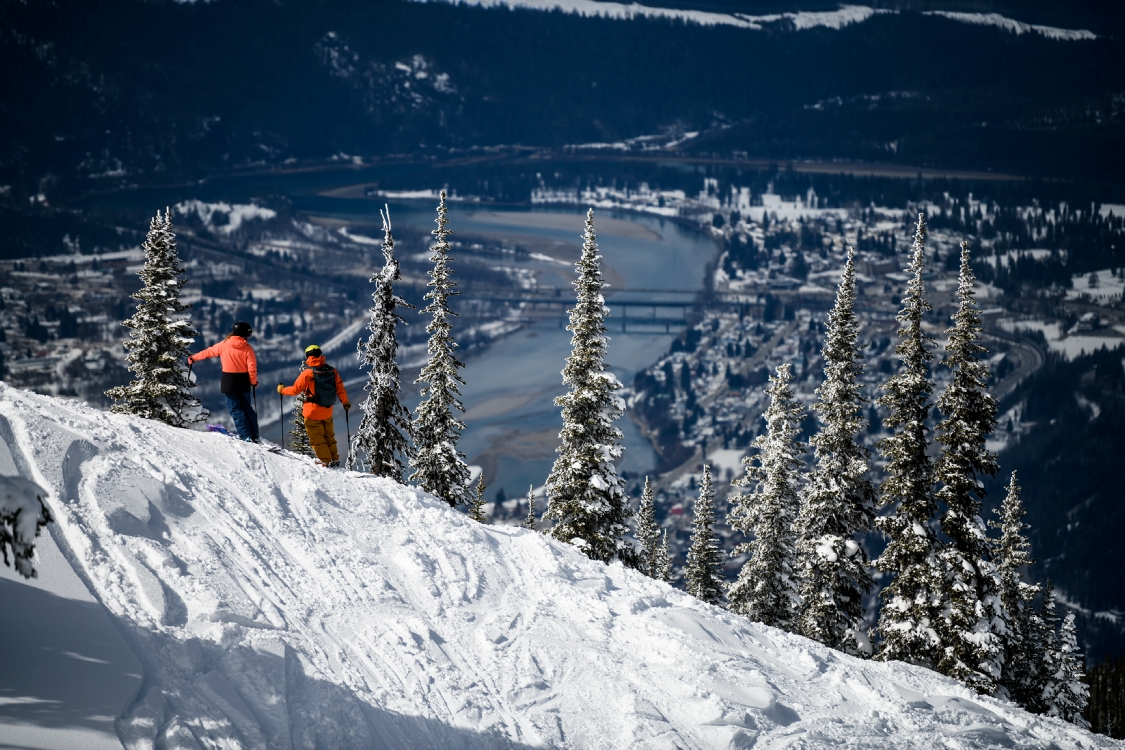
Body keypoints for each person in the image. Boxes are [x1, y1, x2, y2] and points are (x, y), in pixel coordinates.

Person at [279, 345, 350, 467]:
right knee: (329, 436)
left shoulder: (308, 373)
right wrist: (345, 402)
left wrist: (282, 390)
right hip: (327, 410)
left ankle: (325, 460)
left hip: (312, 412)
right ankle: (334, 459)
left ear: (308, 357)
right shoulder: (332, 371)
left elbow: (295, 390)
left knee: (317, 438)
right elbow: (340, 389)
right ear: (320, 355)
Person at [189, 321, 260, 442]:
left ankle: (245, 435)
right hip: (243, 381)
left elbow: (208, 352)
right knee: (246, 408)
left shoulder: (224, 344)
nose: (248, 337)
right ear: (244, 334)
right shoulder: (248, 348)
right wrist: (253, 382)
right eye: (248, 334)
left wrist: (193, 358)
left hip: (229, 381)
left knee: (236, 409)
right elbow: (252, 368)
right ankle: (254, 435)